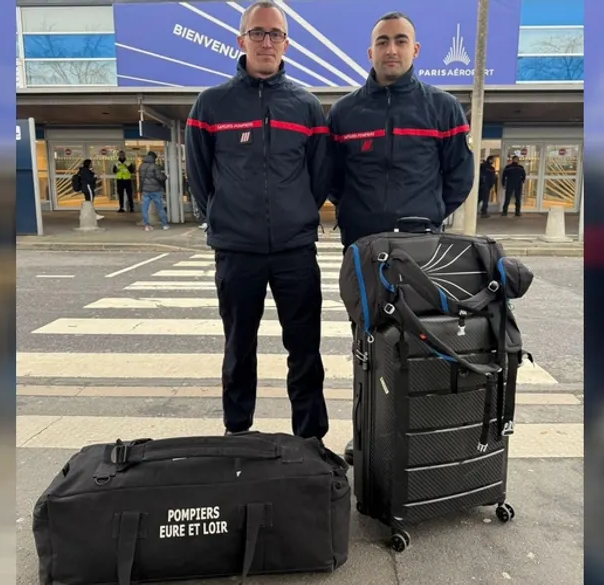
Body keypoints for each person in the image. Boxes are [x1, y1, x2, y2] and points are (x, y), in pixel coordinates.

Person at [326, 11, 474, 463]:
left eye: (401, 40)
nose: (392, 49)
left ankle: (418, 436)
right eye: (383, 41)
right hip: (364, 251)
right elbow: (333, 178)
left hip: (421, 253)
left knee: (421, 341)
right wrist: (359, 218)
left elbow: (459, 177)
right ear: (370, 52)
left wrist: (426, 218)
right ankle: (367, 434)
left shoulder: (443, 108)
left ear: (415, 50)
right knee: (367, 342)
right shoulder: (344, 112)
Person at [184, 0, 331, 441]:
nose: (267, 42)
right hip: (237, 251)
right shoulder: (211, 105)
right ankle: (237, 435)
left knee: (304, 350)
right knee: (238, 348)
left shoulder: (306, 106)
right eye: (258, 32)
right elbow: (199, 176)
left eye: (276, 35)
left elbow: (319, 177)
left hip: (294, 252)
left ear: (286, 43)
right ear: (241, 39)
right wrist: (226, 218)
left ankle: (310, 441)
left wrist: (295, 214)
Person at [137, 151, 169, 231]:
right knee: (160, 208)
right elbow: (159, 178)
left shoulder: (141, 166)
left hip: (145, 190)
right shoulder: (155, 166)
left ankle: (146, 226)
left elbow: (141, 178)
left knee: (145, 208)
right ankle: (164, 225)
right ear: (154, 158)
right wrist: (165, 177)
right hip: (155, 190)